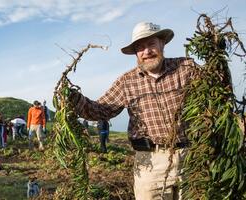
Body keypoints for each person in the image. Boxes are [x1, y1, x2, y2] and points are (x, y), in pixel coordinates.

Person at [70, 22, 197, 199]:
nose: (147, 52)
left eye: (151, 44)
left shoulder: (186, 68)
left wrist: (217, 57)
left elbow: (216, 91)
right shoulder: (127, 81)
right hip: (150, 163)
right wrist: (74, 99)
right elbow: (101, 110)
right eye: (140, 47)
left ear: (162, 43)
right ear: (136, 53)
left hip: (191, 157)